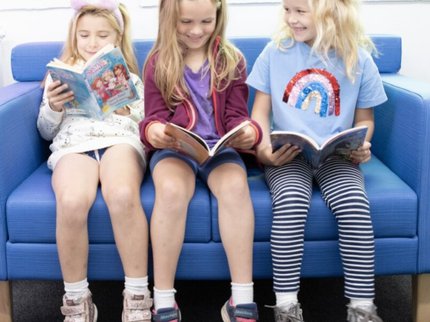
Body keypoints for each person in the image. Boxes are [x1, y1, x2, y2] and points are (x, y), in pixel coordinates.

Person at [247, 0, 387, 321]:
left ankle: (362, 308)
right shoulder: (274, 52)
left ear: (330, 13)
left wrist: (363, 144)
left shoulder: (358, 59)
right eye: (287, 10)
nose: (291, 19)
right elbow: (259, 116)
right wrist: (264, 151)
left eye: (300, 11)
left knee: (354, 203)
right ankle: (285, 306)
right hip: (289, 154)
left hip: (338, 154)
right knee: (291, 200)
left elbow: (366, 120)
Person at [139, 0, 262, 321]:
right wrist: (153, 131)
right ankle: (164, 299)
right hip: (176, 149)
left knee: (236, 188)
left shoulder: (232, 60)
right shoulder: (157, 62)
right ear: (169, 18)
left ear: (218, 16)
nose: (196, 31)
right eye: (186, 22)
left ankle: (242, 299)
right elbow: (151, 116)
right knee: (171, 191)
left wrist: (248, 131)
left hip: (220, 149)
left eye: (206, 22)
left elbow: (237, 114)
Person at [37, 1, 152, 321]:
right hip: (75, 146)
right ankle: (76, 300)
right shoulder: (58, 76)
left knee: (122, 195)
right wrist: (53, 107)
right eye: (84, 34)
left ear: (117, 38)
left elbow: (145, 126)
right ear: (74, 36)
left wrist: (125, 108)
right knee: (72, 200)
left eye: (102, 35)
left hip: (118, 142)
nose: (92, 42)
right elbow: (46, 132)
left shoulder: (130, 77)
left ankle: (138, 296)